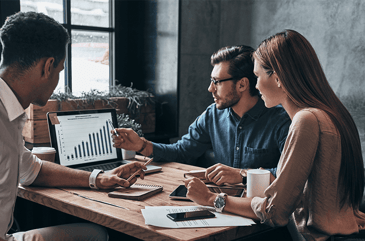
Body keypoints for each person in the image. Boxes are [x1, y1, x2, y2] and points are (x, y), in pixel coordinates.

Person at [184, 30, 365, 241]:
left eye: (258, 76)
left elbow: (275, 212)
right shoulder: (332, 113)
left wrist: (211, 199)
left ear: (278, 77)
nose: (256, 86)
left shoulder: (306, 120)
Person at [0, 12, 146, 241]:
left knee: (96, 238)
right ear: (47, 66)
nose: (57, 82)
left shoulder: (6, 109)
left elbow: (31, 171)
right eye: (59, 70)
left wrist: (97, 179)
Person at [112, 45, 291, 185]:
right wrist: (141, 144)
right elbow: (182, 152)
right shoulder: (212, 115)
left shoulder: (281, 121)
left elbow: (288, 176)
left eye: (217, 82)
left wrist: (242, 174)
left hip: (261, 215)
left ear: (242, 85)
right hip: (220, 206)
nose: (210, 88)